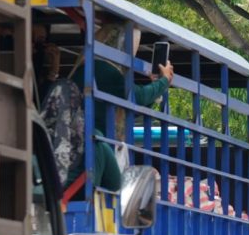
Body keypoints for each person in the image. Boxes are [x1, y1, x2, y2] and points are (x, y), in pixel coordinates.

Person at [66, 24, 175, 192]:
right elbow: (138, 96)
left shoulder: (85, 68)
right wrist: (163, 82)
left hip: (76, 142)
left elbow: (132, 108)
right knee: (117, 188)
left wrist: (155, 88)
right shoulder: (105, 70)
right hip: (95, 143)